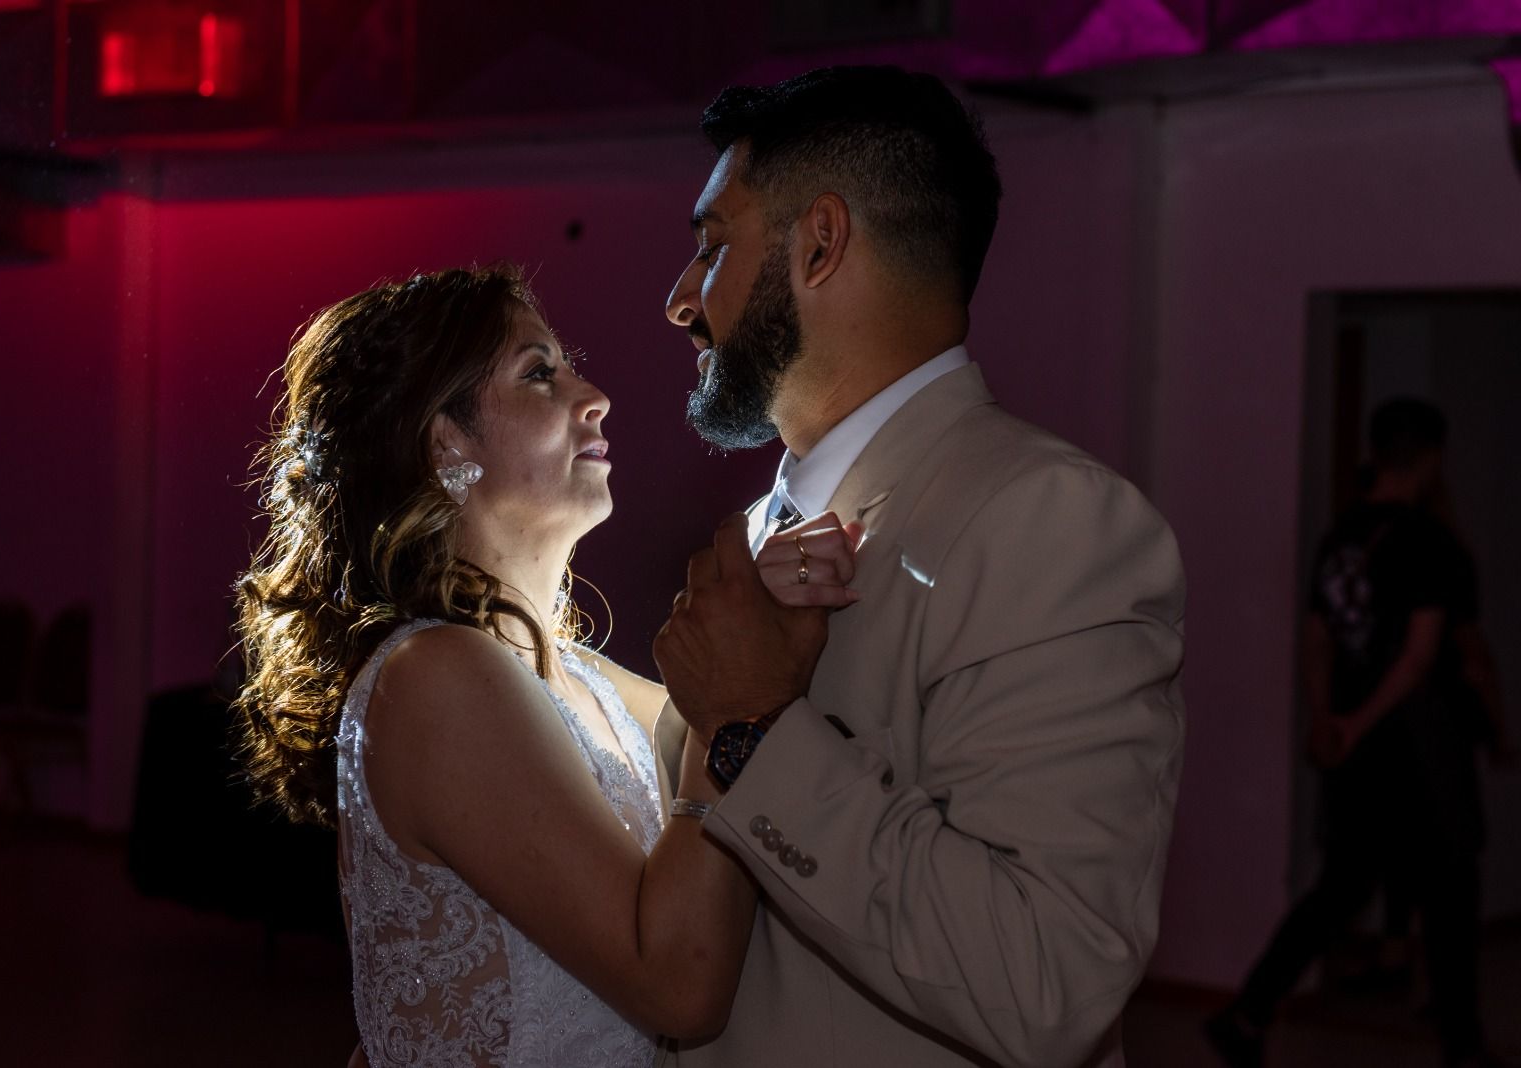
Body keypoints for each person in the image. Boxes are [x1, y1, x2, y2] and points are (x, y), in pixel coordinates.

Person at [649, 66, 1188, 1067]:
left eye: (713, 247)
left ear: (819, 242)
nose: (681, 299)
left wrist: (755, 731)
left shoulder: (1047, 521)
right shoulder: (754, 530)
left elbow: (1047, 981)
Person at [233, 266, 859, 1068]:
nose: (593, 394)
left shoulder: (572, 677)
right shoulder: (433, 676)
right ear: (446, 443)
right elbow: (678, 984)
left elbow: (720, 747)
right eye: (540, 373)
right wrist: (731, 690)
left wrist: (757, 621)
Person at [1206, 397, 1509, 1068]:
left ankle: (1248, 1013)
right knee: (1452, 893)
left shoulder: (1342, 537)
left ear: (1376, 452)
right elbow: (1421, 657)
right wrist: (1354, 720)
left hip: (1360, 754)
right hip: (1422, 751)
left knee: (1340, 888)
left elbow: (1318, 637)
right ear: (1431, 459)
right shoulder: (1432, 545)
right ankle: (1463, 1047)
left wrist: (1331, 719)